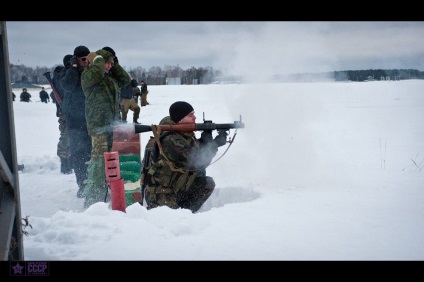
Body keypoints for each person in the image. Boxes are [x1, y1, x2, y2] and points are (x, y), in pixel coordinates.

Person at [143, 101, 228, 213]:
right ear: (180, 119)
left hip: (176, 188)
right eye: (190, 115)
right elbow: (197, 162)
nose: (194, 117)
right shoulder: (171, 140)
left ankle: (185, 212)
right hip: (162, 195)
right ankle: (182, 215)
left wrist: (205, 141)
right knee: (170, 221)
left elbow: (193, 151)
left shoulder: (183, 135)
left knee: (207, 183)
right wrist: (214, 145)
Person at [81, 47, 131, 208]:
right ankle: (93, 201)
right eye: (106, 63)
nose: (108, 66)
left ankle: (113, 196)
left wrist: (113, 62)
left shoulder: (111, 79)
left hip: (113, 127)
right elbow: (96, 72)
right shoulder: (88, 76)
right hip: (99, 129)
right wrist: (97, 59)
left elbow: (125, 79)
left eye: (110, 63)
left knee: (114, 162)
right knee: (98, 165)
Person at [61, 46, 92, 198]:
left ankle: (93, 183)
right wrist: (73, 68)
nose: (86, 62)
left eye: (88, 58)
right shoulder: (68, 72)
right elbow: (67, 86)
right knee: (79, 155)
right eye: (83, 59)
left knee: (93, 154)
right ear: (77, 59)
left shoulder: (92, 71)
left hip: (91, 120)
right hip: (75, 123)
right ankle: (82, 185)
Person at [52, 54, 73, 174]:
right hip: (64, 112)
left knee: (70, 137)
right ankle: (65, 165)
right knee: (65, 137)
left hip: (68, 111)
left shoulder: (62, 76)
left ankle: (68, 163)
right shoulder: (61, 77)